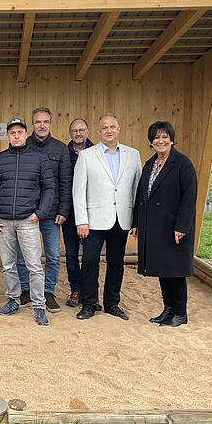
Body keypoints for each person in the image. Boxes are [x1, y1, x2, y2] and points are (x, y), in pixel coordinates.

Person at [0, 118, 56, 326]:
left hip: (28, 220)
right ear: (8, 135)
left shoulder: (39, 158)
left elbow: (49, 188)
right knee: (8, 265)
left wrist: (40, 213)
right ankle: (13, 300)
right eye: (12, 132)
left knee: (34, 265)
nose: (16, 135)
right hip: (3, 222)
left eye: (20, 132)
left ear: (26, 134)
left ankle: (39, 306)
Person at [72, 114, 141, 320]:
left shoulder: (133, 155)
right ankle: (89, 303)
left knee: (116, 263)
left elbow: (137, 191)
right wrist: (81, 220)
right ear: (99, 131)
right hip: (93, 220)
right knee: (90, 261)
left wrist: (136, 221)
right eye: (104, 128)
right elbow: (78, 190)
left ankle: (112, 303)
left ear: (118, 129)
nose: (109, 130)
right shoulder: (86, 155)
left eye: (112, 127)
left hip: (121, 219)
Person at [131, 121, 198, 328]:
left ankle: (180, 312)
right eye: (156, 138)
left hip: (173, 227)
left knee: (175, 271)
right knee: (163, 269)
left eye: (164, 137)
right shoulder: (150, 164)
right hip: (154, 227)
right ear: (151, 142)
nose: (160, 141)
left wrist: (182, 227)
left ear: (171, 139)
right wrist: (137, 222)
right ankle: (168, 309)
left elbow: (189, 199)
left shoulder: (182, 164)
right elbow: (141, 196)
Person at [15, 107, 72, 313]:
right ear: (32, 124)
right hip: (27, 212)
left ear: (50, 123)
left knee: (53, 255)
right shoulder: (23, 144)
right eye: (38, 122)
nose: (42, 125)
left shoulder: (60, 149)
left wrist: (64, 210)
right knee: (23, 255)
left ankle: (48, 291)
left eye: (45, 121)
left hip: (52, 213)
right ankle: (26, 289)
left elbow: (66, 182)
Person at [63, 117, 94, 308]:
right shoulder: (64, 154)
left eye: (81, 130)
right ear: (70, 133)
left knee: (90, 255)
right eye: (74, 130)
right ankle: (76, 290)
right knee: (71, 254)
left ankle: (89, 291)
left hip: (92, 214)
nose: (78, 133)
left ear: (87, 131)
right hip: (70, 213)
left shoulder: (96, 153)